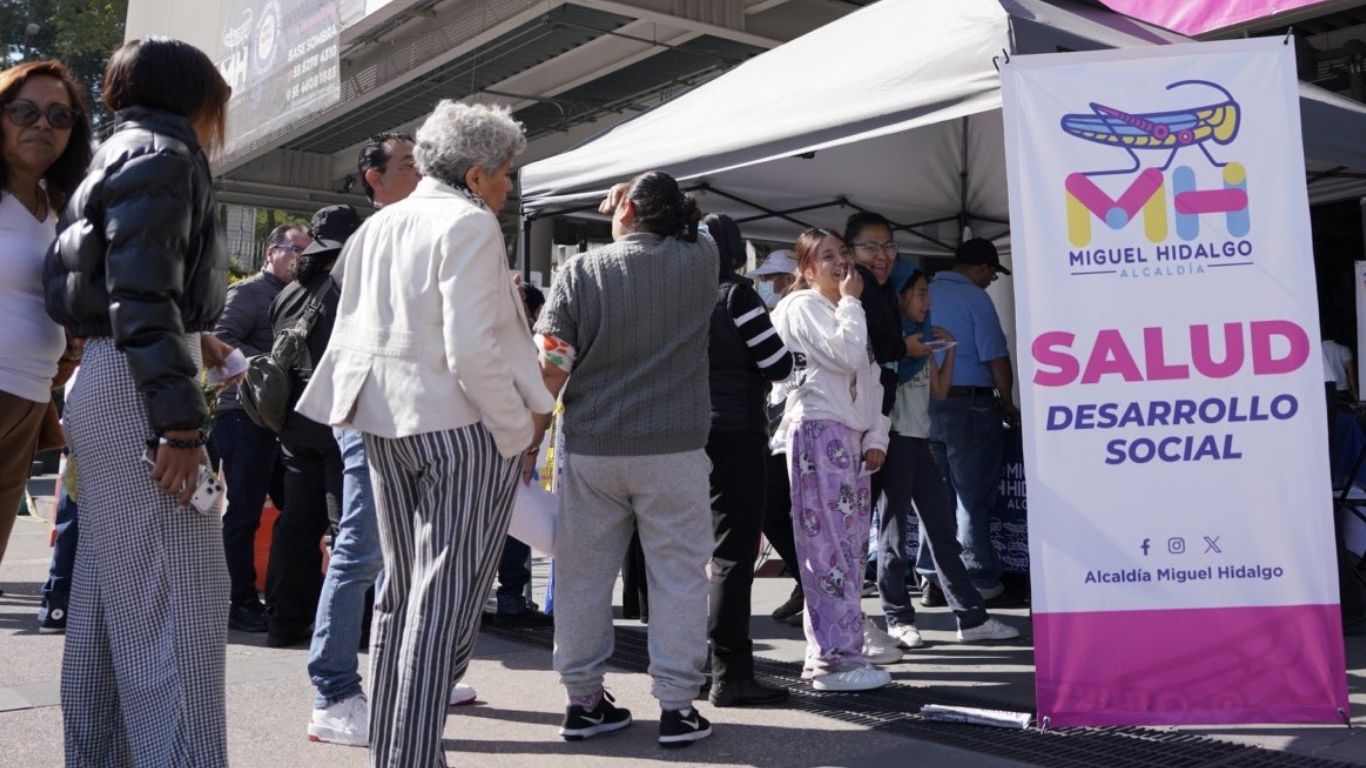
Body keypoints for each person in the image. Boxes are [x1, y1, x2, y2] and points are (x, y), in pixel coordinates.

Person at [296, 100, 552, 768]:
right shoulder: (468, 224)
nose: (508, 187)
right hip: (457, 427)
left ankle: (399, 751)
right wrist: (513, 428)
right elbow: (471, 349)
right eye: (505, 173)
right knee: (440, 606)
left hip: (383, 425)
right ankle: (410, 756)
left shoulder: (380, 225)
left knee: (402, 597)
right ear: (476, 174)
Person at [44, 36, 234, 766]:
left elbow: (124, 288)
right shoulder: (164, 155)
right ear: (195, 94)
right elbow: (145, 297)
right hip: (141, 387)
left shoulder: (112, 156)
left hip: (109, 376)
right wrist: (181, 428)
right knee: (176, 609)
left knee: (108, 606)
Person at [537, 170, 717, 747]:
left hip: (593, 446)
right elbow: (704, 229)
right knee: (678, 575)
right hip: (675, 448)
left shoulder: (580, 271)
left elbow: (552, 368)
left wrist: (530, 438)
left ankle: (584, 700)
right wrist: (643, 204)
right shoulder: (701, 261)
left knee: (583, 577)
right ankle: (678, 707)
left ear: (628, 211)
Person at [304, 135, 439, 748]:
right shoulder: (370, 240)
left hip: (403, 411)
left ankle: (404, 674)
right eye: (408, 164)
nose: (421, 173)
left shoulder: (412, 230)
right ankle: (332, 695)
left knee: (404, 551)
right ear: (374, 179)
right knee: (360, 549)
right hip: (367, 410)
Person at [770, 228, 891, 692]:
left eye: (843, 252)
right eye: (827, 256)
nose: (841, 262)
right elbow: (846, 355)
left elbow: (873, 375)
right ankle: (832, 661)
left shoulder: (841, 307)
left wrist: (877, 434)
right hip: (819, 430)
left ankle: (839, 652)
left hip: (850, 436)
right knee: (828, 551)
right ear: (805, 269)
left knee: (851, 550)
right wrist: (852, 303)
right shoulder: (803, 306)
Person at [877, 268, 1020, 647]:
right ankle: (898, 618)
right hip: (896, 442)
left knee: (943, 531)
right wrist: (909, 351)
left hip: (921, 441)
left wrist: (948, 350)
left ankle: (971, 618)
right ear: (901, 297)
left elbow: (939, 392)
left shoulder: (919, 340)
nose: (929, 302)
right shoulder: (892, 341)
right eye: (921, 294)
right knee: (894, 534)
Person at [0, 60, 91, 570]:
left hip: (30, 401)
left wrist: (68, 346)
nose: (42, 125)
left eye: (59, 116)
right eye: (25, 111)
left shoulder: (60, 208)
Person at [701, 213, 793, 708]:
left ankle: (691, 667)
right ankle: (731, 674)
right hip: (736, 431)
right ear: (736, 253)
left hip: (687, 432)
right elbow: (777, 364)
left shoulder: (683, 296)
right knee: (733, 555)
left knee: (690, 556)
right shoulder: (737, 297)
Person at [264, 207, 357, 650]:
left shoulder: (287, 294)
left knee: (296, 525)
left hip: (295, 425)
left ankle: (284, 620)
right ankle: (347, 628)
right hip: (341, 421)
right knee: (347, 528)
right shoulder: (351, 291)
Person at [213, 221, 311, 633]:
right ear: (271, 252)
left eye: (307, 252)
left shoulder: (302, 296)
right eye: (295, 250)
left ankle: (286, 598)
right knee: (244, 514)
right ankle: (239, 601)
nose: (301, 258)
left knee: (298, 513)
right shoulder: (248, 293)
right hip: (243, 414)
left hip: (281, 421)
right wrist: (268, 366)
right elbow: (219, 341)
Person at [919, 237, 1017, 605]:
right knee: (971, 497)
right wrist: (1008, 402)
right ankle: (977, 579)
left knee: (934, 497)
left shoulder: (923, 292)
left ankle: (931, 578)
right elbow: (997, 358)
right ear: (980, 268)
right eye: (992, 273)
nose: (991, 280)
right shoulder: (976, 298)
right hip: (970, 405)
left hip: (925, 404)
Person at [751, 250, 805, 623]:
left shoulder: (800, 311)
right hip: (778, 426)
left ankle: (811, 583)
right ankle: (806, 579)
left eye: (773, 279)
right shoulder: (776, 315)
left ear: (790, 278)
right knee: (773, 510)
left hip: (799, 425)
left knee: (778, 510)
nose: (768, 286)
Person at [1323, 336, 1356, 404]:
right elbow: (1351, 374)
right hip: (1342, 389)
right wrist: (1355, 392)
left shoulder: (1317, 349)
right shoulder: (1344, 349)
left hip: (1325, 389)